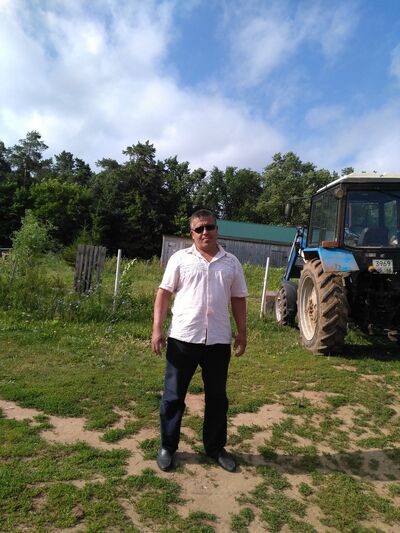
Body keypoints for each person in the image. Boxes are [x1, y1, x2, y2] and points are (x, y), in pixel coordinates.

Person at [151, 209, 248, 473]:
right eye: (199, 229)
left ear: (217, 229)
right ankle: (167, 447)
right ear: (192, 234)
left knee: (217, 398)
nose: (205, 232)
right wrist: (157, 329)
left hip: (218, 340)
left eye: (210, 227)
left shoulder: (231, 263)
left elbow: (238, 298)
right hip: (183, 338)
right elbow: (163, 294)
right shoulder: (180, 259)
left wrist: (242, 331)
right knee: (173, 397)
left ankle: (215, 448)